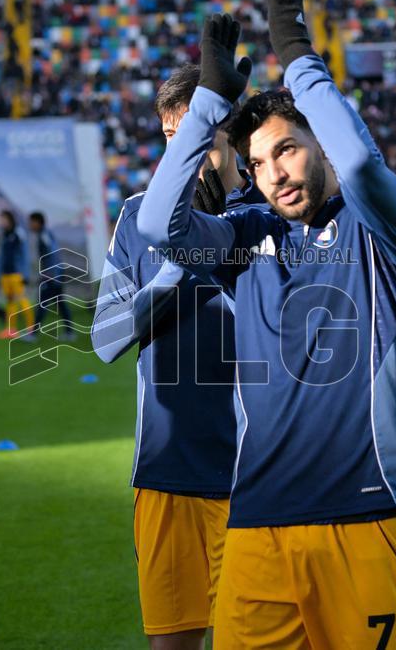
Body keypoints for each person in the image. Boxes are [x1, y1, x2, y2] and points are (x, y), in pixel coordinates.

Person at [136, 0, 396, 648]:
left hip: (368, 510)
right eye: (258, 164)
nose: (274, 175)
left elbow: (360, 165)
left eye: (288, 150)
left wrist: (295, 49)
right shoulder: (246, 234)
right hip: (257, 521)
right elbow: (158, 227)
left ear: (320, 140)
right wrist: (208, 104)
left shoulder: (384, 227)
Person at [90, 63, 264, 650]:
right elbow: (106, 340)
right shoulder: (138, 216)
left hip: (262, 468)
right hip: (171, 467)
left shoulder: (274, 210)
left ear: (230, 134)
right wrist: (175, 265)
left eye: (194, 135)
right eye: (170, 137)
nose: (180, 153)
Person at [28, 211, 74, 342]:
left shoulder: (44, 235)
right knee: (60, 304)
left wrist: (49, 274)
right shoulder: (44, 234)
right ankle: (70, 332)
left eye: (31, 222)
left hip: (52, 276)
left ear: (38, 222)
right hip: (55, 275)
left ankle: (33, 334)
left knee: (43, 304)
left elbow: (53, 254)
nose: (30, 225)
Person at [0, 210, 33, 339]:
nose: (2, 222)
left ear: (10, 220)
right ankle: (11, 329)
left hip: (17, 274)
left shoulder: (18, 233)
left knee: (22, 300)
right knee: (10, 301)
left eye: (4, 219)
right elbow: (2, 255)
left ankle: (31, 328)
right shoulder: (4, 234)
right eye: (1, 220)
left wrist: (25, 274)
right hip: (5, 274)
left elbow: (25, 254)